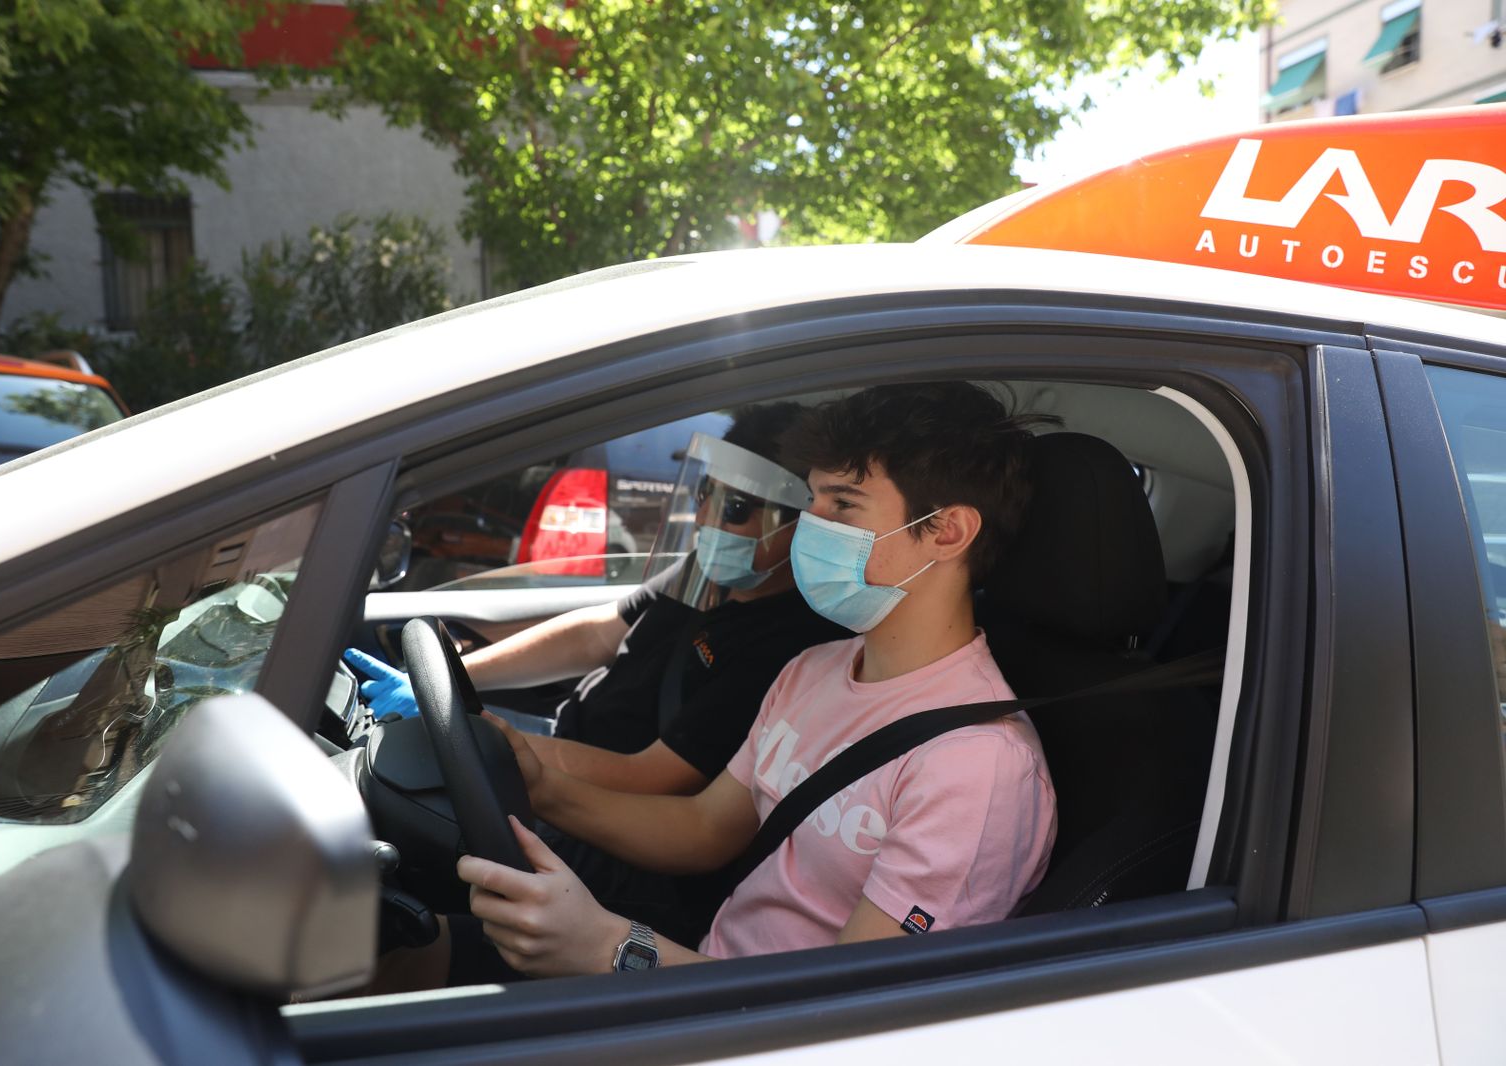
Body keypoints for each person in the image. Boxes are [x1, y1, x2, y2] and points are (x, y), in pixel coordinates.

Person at [369, 382, 1058, 989]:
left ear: (947, 531)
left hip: (745, 1030)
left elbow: (846, 1011)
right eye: (811, 499)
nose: (810, 526)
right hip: (704, 971)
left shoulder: (976, 766)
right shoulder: (815, 670)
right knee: (397, 951)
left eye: (844, 505)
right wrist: (543, 786)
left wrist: (607, 947)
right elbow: (704, 828)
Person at [349, 402, 846, 940]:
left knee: (398, 891)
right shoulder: (711, 573)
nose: (706, 518)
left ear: (801, 525)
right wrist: (456, 681)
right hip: (561, 759)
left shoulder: (787, 645)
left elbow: (647, 776)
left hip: (615, 835)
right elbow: (598, 633)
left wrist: (475, 733)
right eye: (707, 492)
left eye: (737, 507)